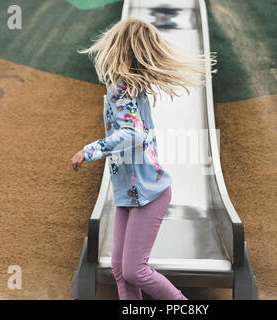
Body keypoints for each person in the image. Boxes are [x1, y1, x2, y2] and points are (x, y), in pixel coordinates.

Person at [70, 18, 216, 300]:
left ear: (117, 50)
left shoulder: (122, 91)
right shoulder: (131, 88)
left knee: (134, 270)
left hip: (149, 193)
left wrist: (90, 150)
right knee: (119, 268)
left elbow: (133, 134)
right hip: (130, 194)